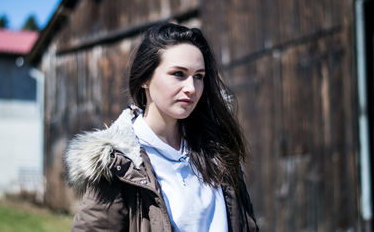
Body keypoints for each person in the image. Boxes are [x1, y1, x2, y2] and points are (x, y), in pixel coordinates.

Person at [64, 23, 258, 232]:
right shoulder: (118, 163)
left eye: (199, 76)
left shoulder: (218, 150)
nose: (191, 88)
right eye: (178, 74)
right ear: (145, 79)